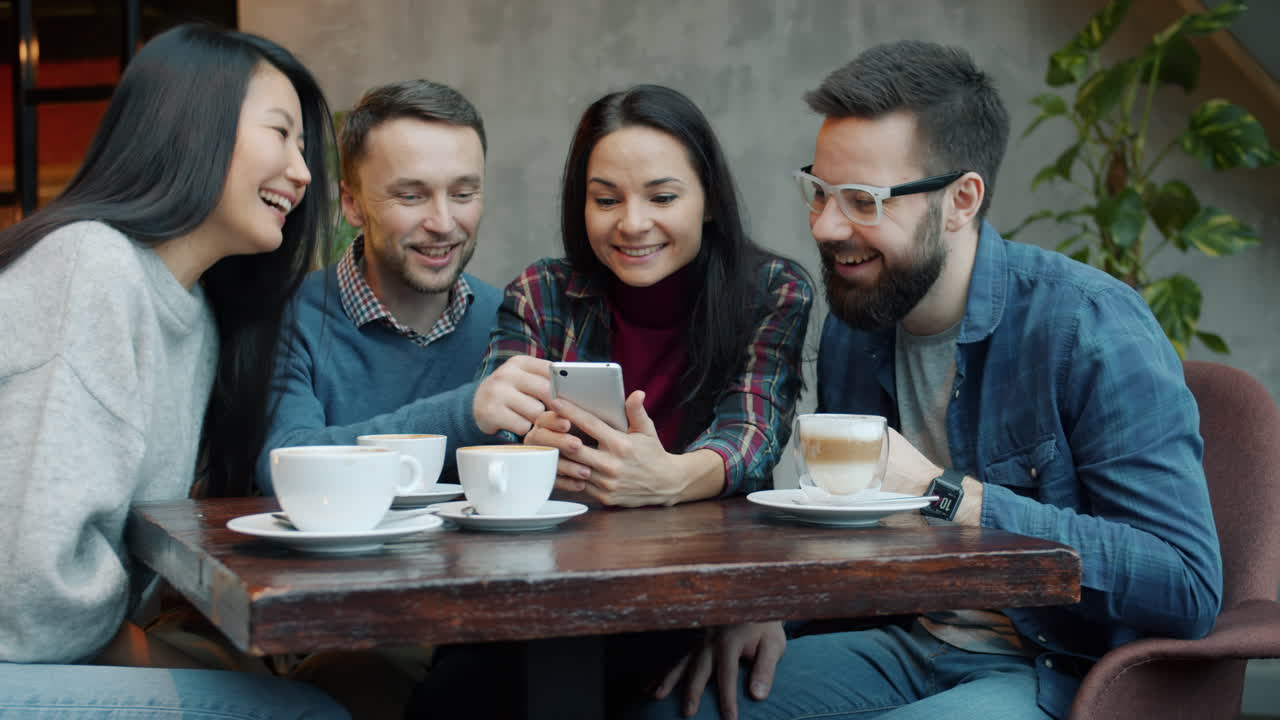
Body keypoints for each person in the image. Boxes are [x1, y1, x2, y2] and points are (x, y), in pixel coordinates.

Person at [641, 41, 1223, 720]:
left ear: (961, 200)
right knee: (680, 708)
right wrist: (776, 609)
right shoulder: (857, 326)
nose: (826, 226)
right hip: (906, 641)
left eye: (863, 200)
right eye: (819, 192)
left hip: (1054, 668)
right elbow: (846, 530)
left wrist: (949, 496)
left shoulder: (1088, 328)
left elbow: (1185, 584)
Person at [0, 24, 348, 718]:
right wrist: (137, 648)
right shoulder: (89, 266)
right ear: (194, 125)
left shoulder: (198, 316)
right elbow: (27, 592)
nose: (304, 174)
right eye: (281, 134)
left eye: (304, 149)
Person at [477, 84, 813, 508]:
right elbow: (497, 431)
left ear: (708, 201)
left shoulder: (771, 291)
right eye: (606, 199)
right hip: (567, 546)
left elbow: (752, 435)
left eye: (662, 198)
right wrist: (531, 443)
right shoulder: (540, 293)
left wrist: (669, 478)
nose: (633, 223)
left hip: (715, 550)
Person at [256, 79, 549, 491]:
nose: (443, 223)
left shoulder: (511, 320)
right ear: (352, 203)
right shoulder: (290, 318)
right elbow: (282, 465)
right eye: (412, 197)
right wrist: (467, 414)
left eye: (463, 193)